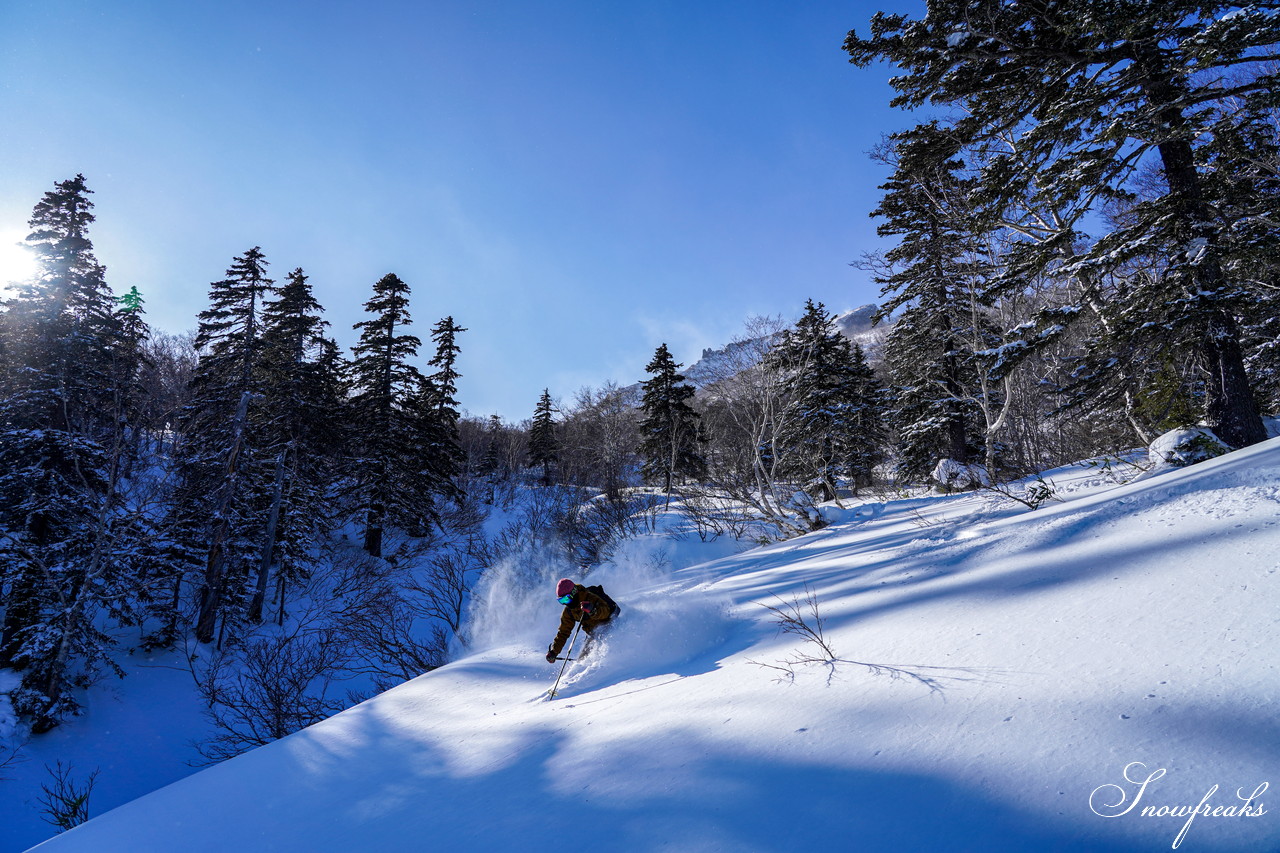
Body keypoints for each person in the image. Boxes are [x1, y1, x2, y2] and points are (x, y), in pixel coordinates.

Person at [545, 578, 614, 663]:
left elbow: (606, 611)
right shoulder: (569, 611)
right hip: (593, 636)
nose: (565, 603)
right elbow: (563, 632)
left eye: (566, 599)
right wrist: (554, 652)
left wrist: (592, 610)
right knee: (582, 662)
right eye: (561, 601)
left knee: (602, 658)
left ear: (573, 593)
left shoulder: (589, 597)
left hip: (610, 628)